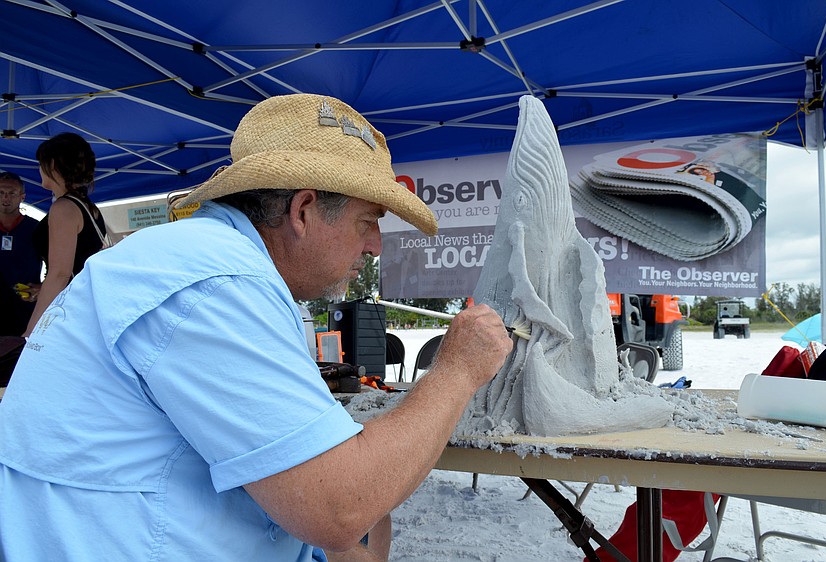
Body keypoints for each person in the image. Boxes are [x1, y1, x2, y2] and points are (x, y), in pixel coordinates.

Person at [0, 94, 514, 561]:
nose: (376, 245)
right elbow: (336, 509)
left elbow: (324, 505)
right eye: (368, 220)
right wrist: (456, 372)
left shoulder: (214, 266)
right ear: (304, 210)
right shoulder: (214, 282)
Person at [23, 132, 107, 337]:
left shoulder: (64, 208)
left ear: (52, 165)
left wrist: (32, 330)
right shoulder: (87, 207)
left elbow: (61, 274)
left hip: (69, 312)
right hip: (83, 307)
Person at [0, 172, 43, 336]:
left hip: (26, 310)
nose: (6, 198)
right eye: (1, 193)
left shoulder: (37, 228)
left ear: (22, 197)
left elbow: (58, 267)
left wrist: (43, 288)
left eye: (12, 193)